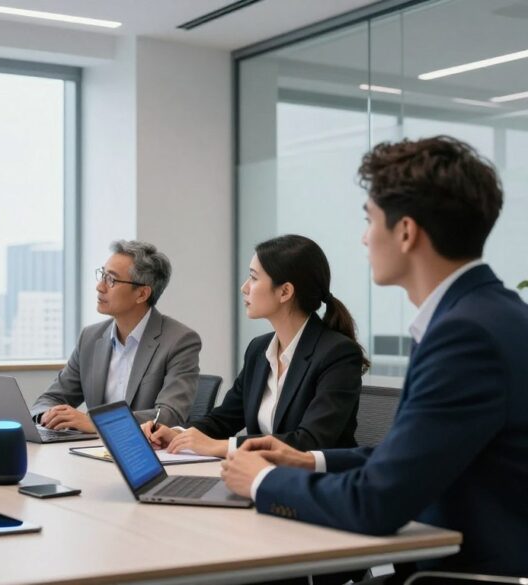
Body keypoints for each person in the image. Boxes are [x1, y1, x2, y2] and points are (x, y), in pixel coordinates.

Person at [222, 136, 528, 579]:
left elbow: (375, 503)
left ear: (406, 232)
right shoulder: (484, 315)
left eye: (369, 220)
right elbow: (409, 459)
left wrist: (260, 480)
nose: (364, 238)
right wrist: (310, 461)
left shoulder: (465, 336)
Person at [143, 234, 367, 458]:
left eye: (253, 277)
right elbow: (225, 419)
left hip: (318, 483)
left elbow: (310, 441)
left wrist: (222, 447)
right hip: (264, 476)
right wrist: (177, 434)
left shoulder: (338, 354)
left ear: (285, 292)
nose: (244, 287)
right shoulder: (259, 350)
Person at [30, 240, 202, 432]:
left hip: (145, 454)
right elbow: (50, 399)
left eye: (111, 280)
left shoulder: (180, 341)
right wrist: (48, 415)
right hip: (92, 452)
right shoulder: (90, 337)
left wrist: (97, 423)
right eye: (102, 275)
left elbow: (169, 415)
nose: (99, 286)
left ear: (142, 294)